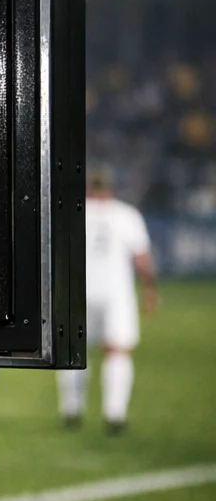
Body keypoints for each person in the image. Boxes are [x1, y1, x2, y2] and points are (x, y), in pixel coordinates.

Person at [59, 166, 158, 433]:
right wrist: (151, 291)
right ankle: (114, 415)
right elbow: (143, 259)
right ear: (111, 187)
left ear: (90, 186)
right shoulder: (126, 214)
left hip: (78, 291)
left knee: (73, 353)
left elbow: (59, 253)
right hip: (116, 293)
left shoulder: (73, 213)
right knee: (117, 351)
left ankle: (71, 410)